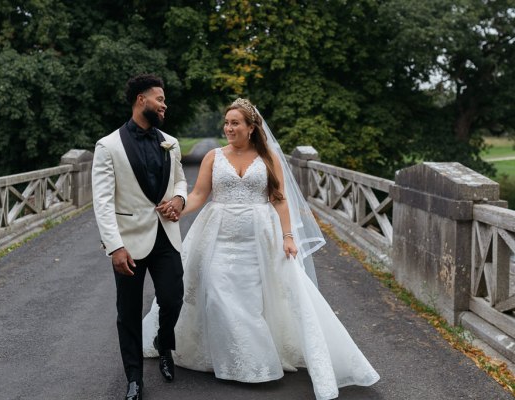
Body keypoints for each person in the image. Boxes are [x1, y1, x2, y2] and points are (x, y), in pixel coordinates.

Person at [142, 98, 380, 400]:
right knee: (215, 294)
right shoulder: (214, 157)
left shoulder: (268, 159)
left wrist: (288, 235)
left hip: (259, 238)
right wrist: (177, 209)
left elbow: (279, 199)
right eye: (226, 123)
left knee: (252, 301)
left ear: (251, 128)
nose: (228, 128)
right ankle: (231, 360)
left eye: (235, 123)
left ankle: (251, 362)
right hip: (218, 236)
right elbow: (200, 195)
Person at [92, 74, 187, 400]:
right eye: (159, 99)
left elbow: (180, 182)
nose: (164, 105)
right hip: (128, 243)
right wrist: (114, 247)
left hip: (166, 237)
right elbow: (102, 202)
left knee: (173, 297)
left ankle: (163, 341)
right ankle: (134, 378)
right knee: (128, 311)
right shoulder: (108, 146)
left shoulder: (170, 143)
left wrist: (179, 200)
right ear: (140, 100)